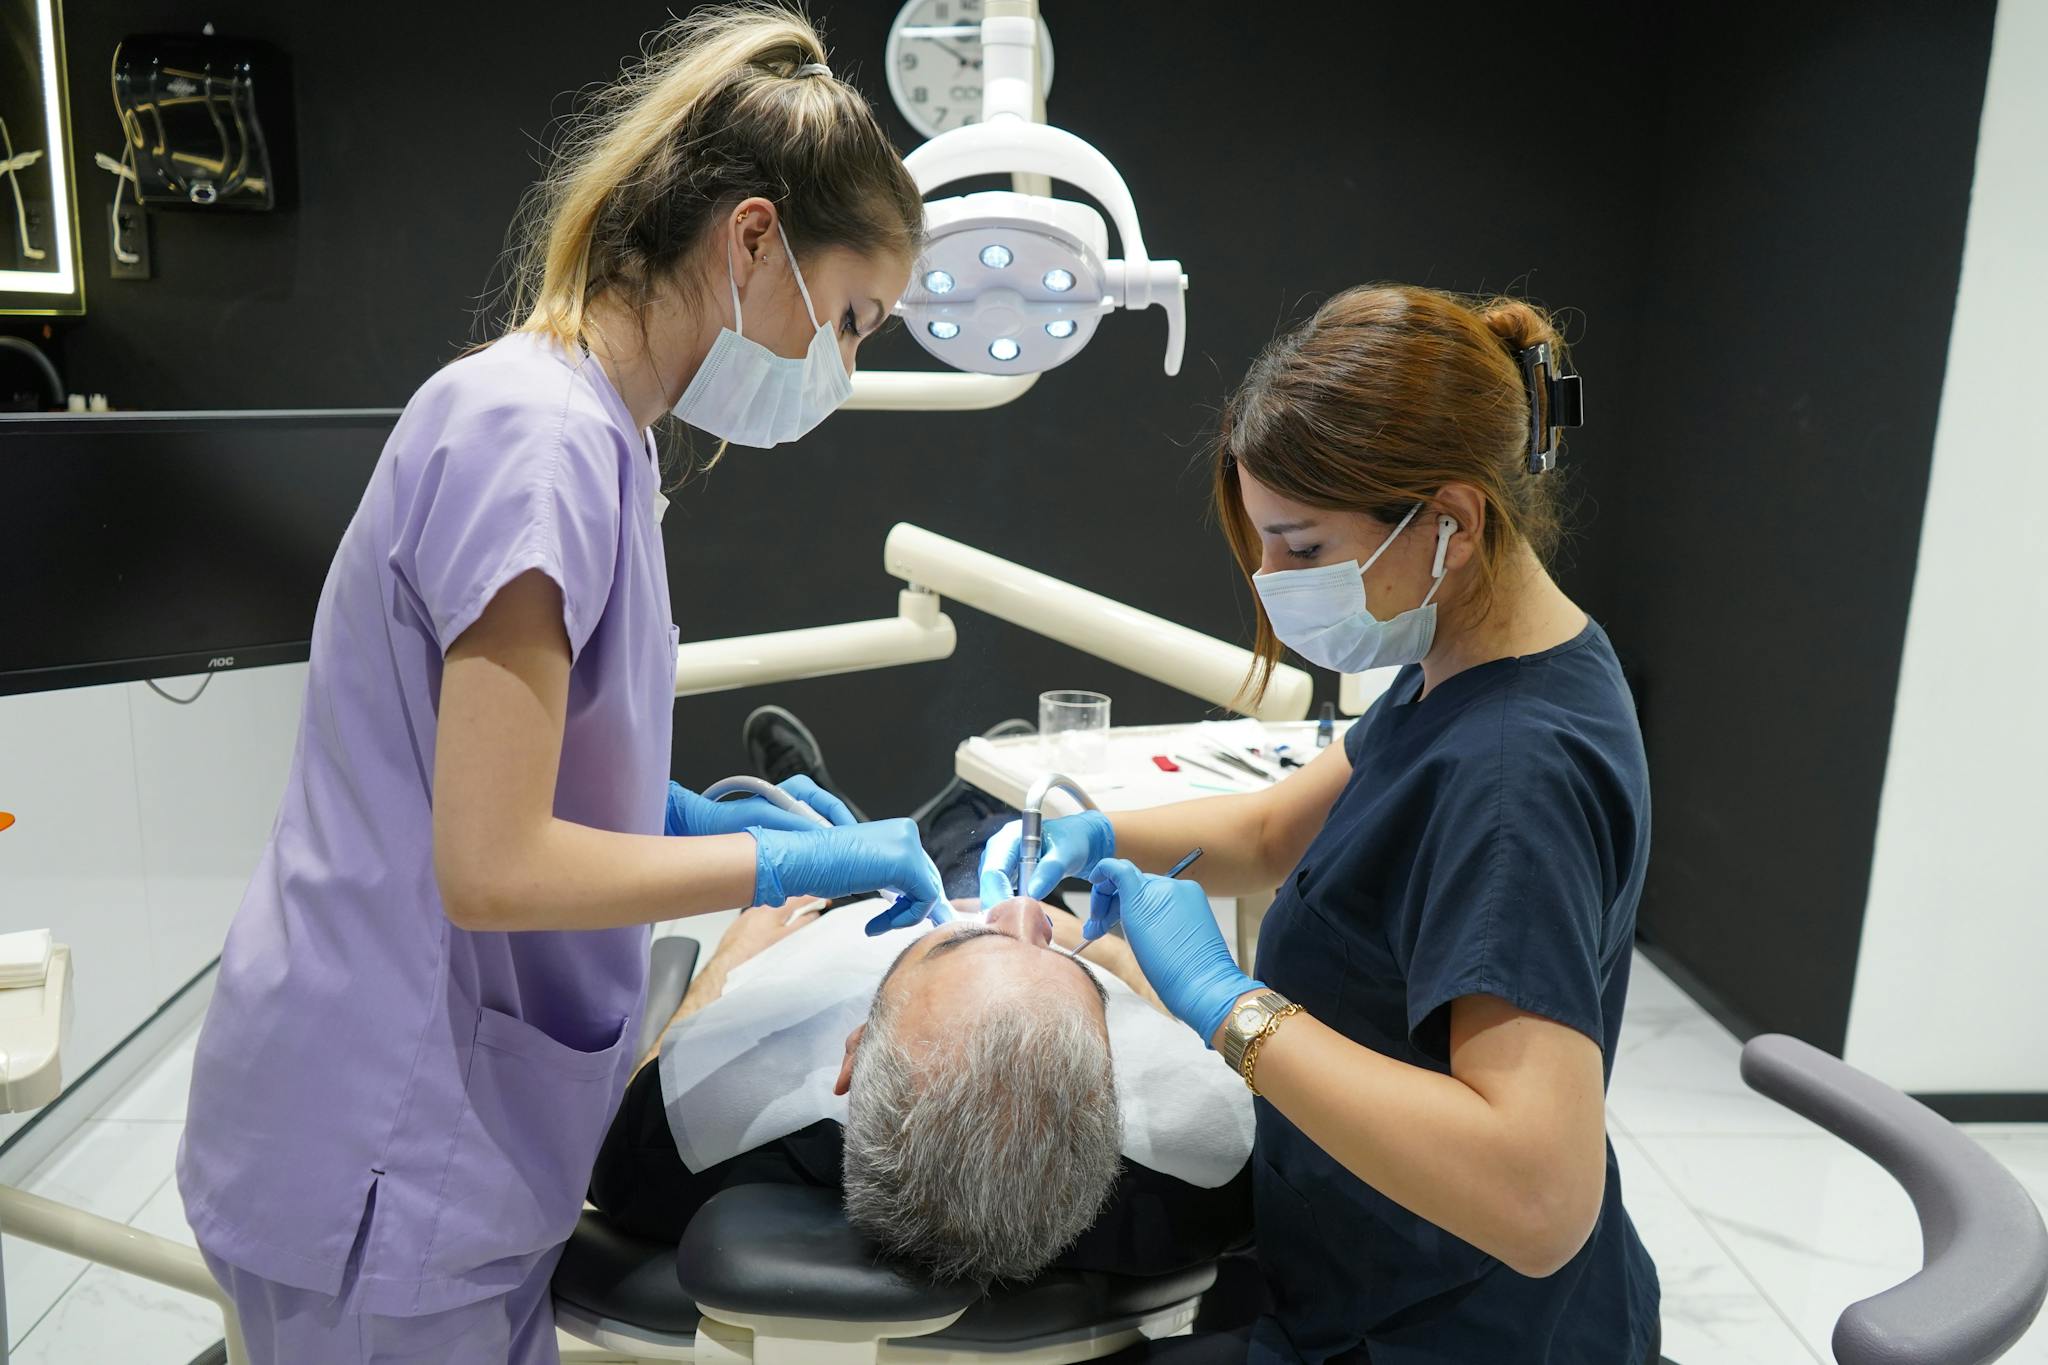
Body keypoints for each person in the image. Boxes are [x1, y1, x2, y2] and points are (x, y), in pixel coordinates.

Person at [175, 10, 950, 1362]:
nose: (845, 365)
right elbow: (490, 861)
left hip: (431, 1149)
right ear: (754, 240)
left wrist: (702, 817)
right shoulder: (534, 444)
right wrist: (765, 871)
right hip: (381, 1153)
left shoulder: (591, 436)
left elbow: (502, 761)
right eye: (852, 321)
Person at [982, 287, 1661, 1363]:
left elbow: (1538, 1200)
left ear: (1449, 520)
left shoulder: (1512, 777)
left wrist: (1229, 1007)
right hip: (1359, 1269)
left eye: (1300, 548)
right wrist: (1085, 834)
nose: (1273, 582)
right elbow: (1263, 834)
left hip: (1453, 1332)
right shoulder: (1464, 658)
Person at [587, 810, 1252, 1286]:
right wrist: (1099, 947)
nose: (1019, 911)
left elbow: (662, 1068)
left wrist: (739, 948)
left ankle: (847, 796)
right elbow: (1183, 1027)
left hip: (831, 924)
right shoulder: (1206, 1180)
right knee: (983, 826)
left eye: (965, 936)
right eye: (1064, 969)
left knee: (903, 828)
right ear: (1112, 1099)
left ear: (853, 1053)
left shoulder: (686, 1138)